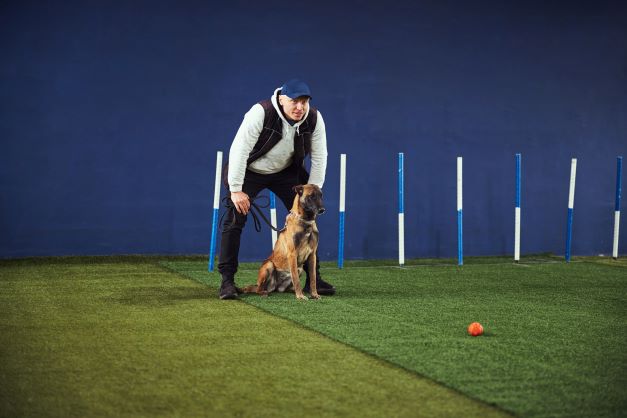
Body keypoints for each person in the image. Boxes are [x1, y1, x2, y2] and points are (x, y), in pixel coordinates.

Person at [217, 79, 336, 300]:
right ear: (282, 99)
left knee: (309, 220)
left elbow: (320, 156)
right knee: (234, 221)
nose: (300, 107)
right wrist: (235, 189)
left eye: (304, 102)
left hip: (286, 172)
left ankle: (314, 279)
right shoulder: (260, 112)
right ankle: (227, 281)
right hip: (251, 171)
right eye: (294, 102)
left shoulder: (314, 118)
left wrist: (313, 190)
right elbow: (239, 150)